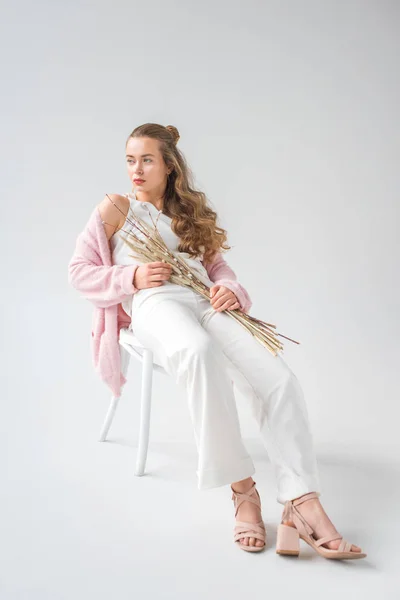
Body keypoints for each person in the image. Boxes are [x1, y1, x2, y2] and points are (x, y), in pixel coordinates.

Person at [76, 122, 366, 559]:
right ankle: (243, 491)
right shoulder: (116, 208)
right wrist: (131, 275)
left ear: (169, 166)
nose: (136, 169)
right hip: (155, 303)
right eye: (130, 160)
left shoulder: (188, 215)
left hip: (205, 303)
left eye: (147, 159)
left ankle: (302, 501)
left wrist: (231, 289)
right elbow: (78, 271)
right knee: (197, 351)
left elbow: (219, 270)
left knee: (277, 377)